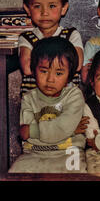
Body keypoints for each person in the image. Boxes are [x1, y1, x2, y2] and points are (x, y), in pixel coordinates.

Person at [9, 37, 86, 173]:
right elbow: (27, 137)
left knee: (76, 173)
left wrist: (34, 131)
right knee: (15, 171)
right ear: (33, 71)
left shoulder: (74, 95)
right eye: (44, 71)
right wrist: (69, 131)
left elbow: (33, 131)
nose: (50, 79)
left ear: (69, 76)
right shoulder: (28, 98)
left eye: (59, 73)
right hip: (34, 154)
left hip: (69, 152)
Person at [19, 0, 84, 96]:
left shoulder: (71, 34)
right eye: (37, 6)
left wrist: (43, 62)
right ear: (28, 9)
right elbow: (27, 68)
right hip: (35, 105)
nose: (45, 12)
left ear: (64, 8)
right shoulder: (27, 38)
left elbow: (77, 64)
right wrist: (60, 61)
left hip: (67, 101)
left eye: (52, 6)